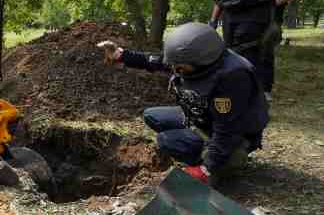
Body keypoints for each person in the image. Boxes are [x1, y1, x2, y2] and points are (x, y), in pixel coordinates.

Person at [98, 22, 269, 185]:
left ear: (199, 61)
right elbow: (156, 61)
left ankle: (217, 164)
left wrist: (206, 168)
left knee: (166, 140)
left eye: (179, 67)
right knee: (152, 116)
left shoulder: (232, 76)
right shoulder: (193, 60)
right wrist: (121, 55)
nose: (174, 70)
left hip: (234, 134)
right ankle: (196, 146)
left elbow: (227, 128)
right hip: (205, 117)